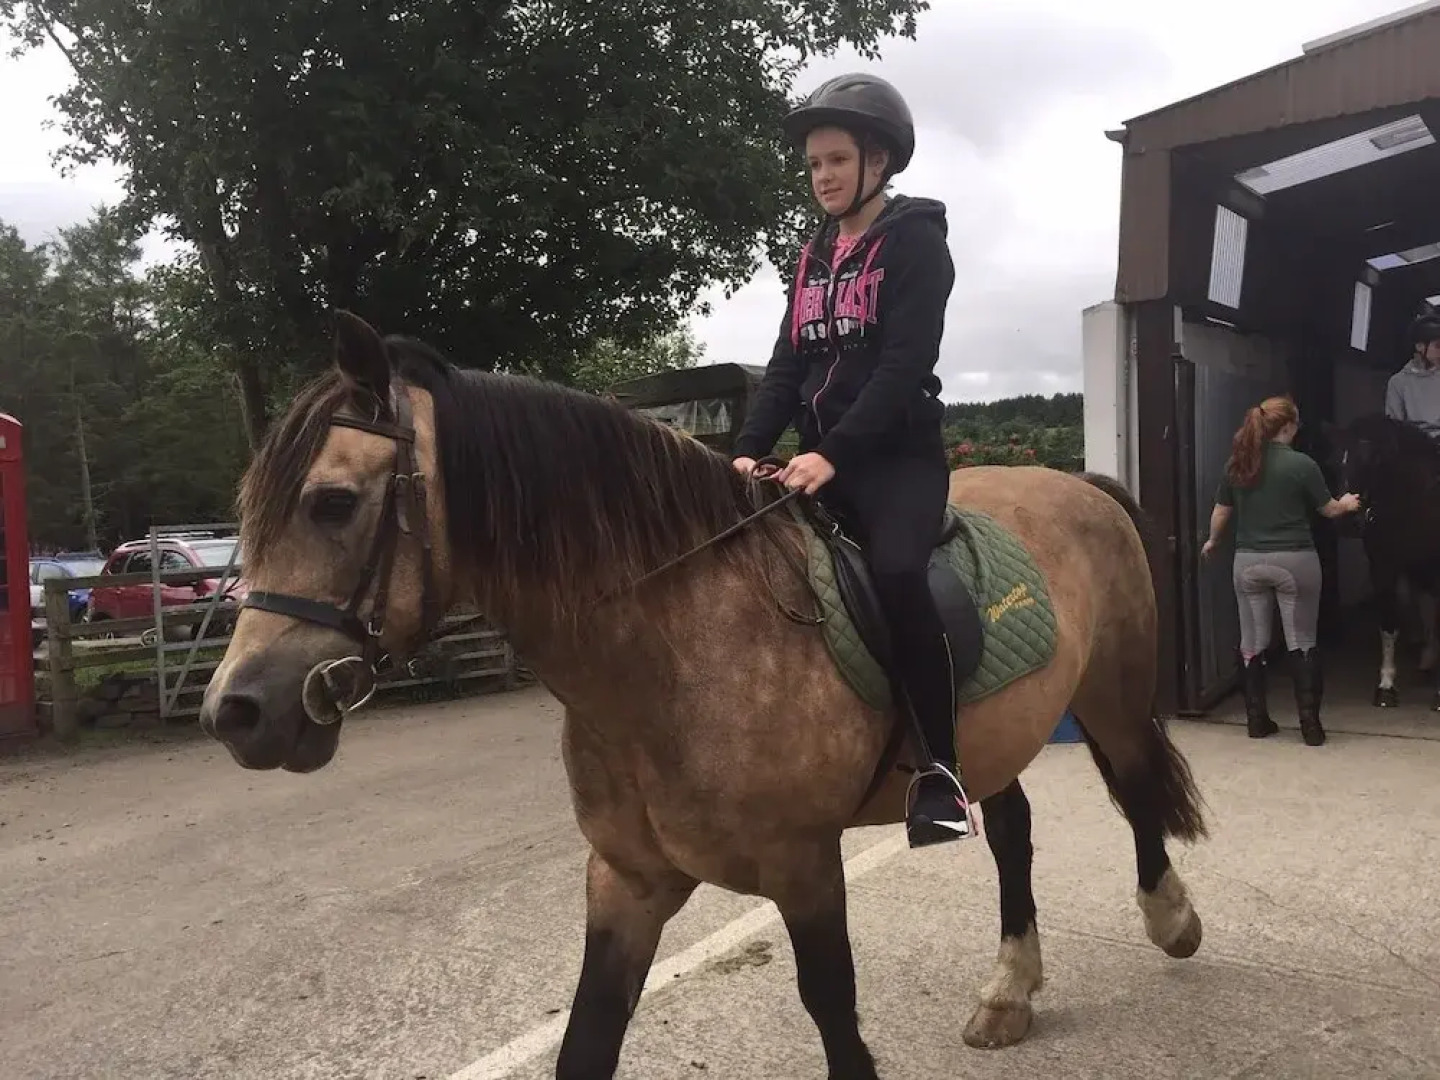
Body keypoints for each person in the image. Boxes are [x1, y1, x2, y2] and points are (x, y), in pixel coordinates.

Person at [728, 71, 980, 848]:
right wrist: (743, 451)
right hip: (819, 458)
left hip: (897, 461)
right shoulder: (808, 259)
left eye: (836, 160)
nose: (823, 177)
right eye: (813, 165)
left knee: (900, 575)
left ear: (879, 160)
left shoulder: (917, 245)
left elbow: (904, 367)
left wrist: (832, 454)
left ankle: (940, 774)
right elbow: (784, 370)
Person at [1201, 396, 1362, 746]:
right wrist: (1348, 503)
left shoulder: (1238, 463)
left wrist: (1213, 541)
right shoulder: (1302, 465)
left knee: (1252, 643)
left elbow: (1221, 511)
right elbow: (1329, 510)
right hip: (1295, 561)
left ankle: (1256, 721)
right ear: (1289, 426)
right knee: (1302, 640)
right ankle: (1310, 727)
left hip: (1248, 563)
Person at [1384, 313, 1440, 439]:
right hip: (1416, 447)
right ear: (1420, 346)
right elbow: (1394, 424)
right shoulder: (1398, 382)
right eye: (1438, 346)